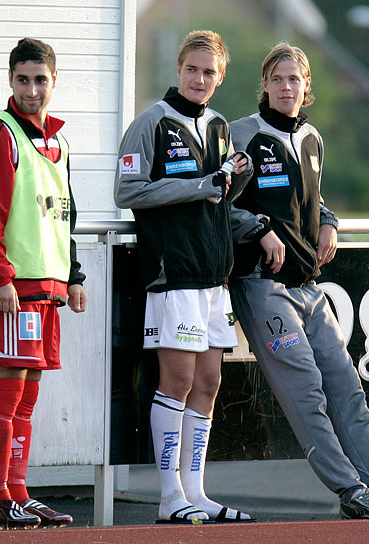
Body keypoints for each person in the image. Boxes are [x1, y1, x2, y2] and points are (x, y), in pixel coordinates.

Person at [227, 41, 369, 520]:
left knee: (347, 387)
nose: (285, 87)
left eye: (294, 79)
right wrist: (259, 231)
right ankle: (351, 491)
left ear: (307, 87)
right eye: (276, 78)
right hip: (262, 286)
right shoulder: (242, 134)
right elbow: (221, 204)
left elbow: (308, 201)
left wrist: (330, 221)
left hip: (309, 287)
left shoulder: (313, 138)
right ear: (264, 84)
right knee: (308, 392)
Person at [113, 30, 254, 524]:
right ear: (178, 69)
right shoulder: (150, 122)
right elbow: (127, 193)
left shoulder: (218, 125)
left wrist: (236, 181)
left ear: (220, 77)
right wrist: (201, 185)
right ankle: (169, 496)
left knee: (210, 382)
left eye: (210, 72)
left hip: (216, 276)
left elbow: (219, 198)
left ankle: (196, 493)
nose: (200, 78)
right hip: (173, 274)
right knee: (178, 379)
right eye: (192, 69)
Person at [0, 38, 88, 529]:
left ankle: (18, 492)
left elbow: (65, 216)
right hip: (11, 288)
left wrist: (73, 275)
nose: (32, 89)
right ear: (10, 80)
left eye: (41, 80)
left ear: (54, 82)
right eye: (23, 79)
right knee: (7, 390)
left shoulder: (59, 142)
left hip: (47, 289)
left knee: (28, 393)